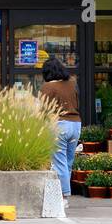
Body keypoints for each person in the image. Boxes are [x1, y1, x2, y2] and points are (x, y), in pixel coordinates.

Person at [38, 57, 81, 205]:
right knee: (68, 162)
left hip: (59, 125)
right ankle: (65, 196)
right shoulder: (72, 83)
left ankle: (63, 197)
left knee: (59, 162)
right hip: (76, 124)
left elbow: (43, 110)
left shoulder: (47, 87)